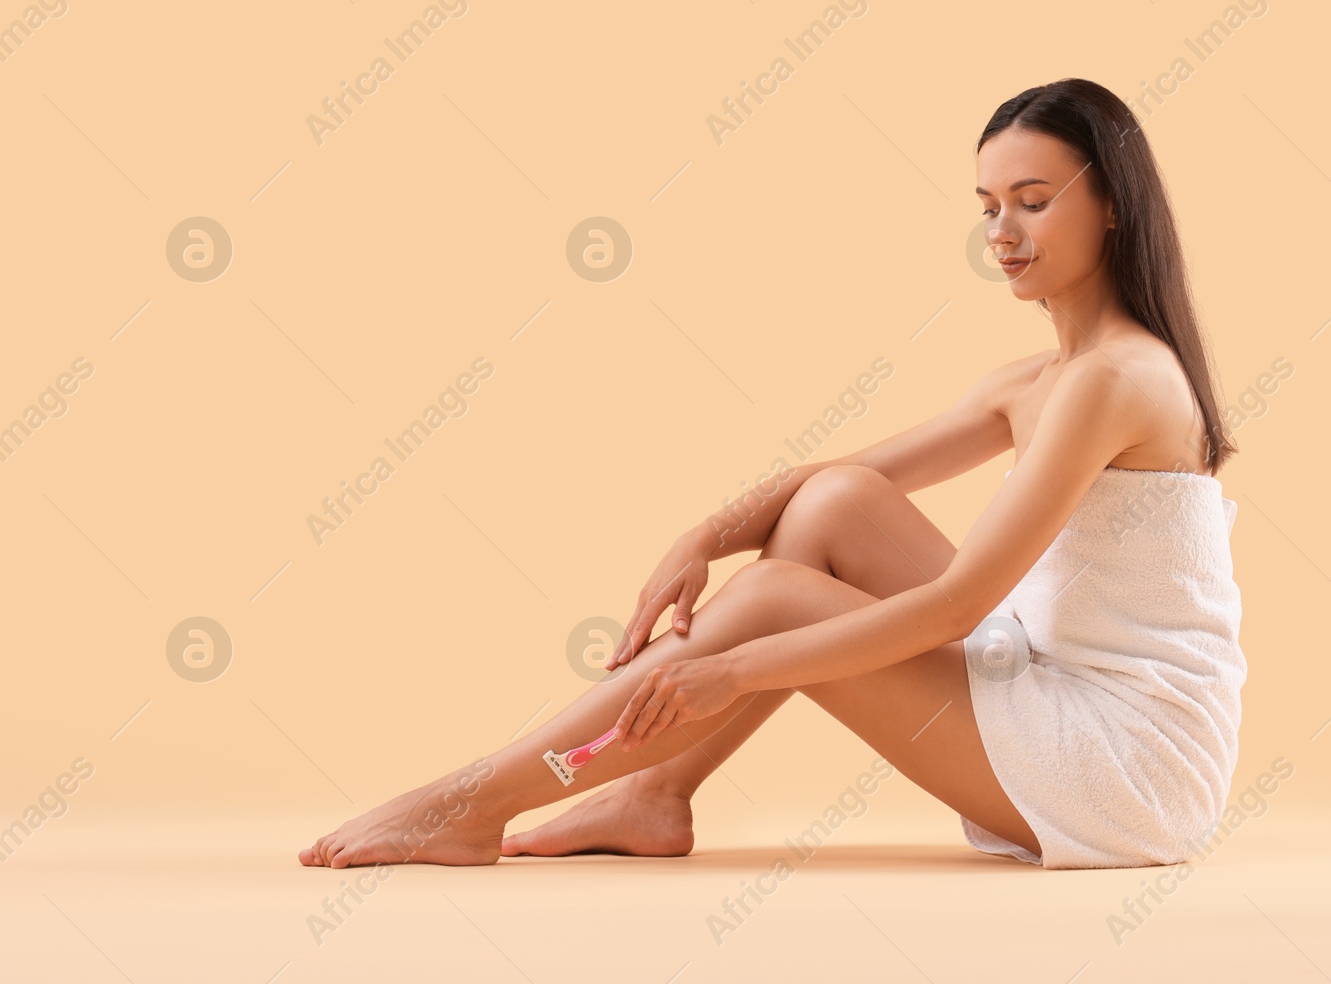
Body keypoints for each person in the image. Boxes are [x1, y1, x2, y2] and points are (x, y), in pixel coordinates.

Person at [300, 77, 1245, 870]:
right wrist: (702, 537)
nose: (1002, 230)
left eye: (1033, 201)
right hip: (1053, 685)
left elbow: (957, 607)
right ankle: (654, 792)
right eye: (987, 206)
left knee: (780, 597)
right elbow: (834, 478)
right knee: (834, 506)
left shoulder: (1115, 381)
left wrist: (733, 667)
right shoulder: (1039, 381)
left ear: (1113, 202)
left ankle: (471, 802)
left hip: (1130, 766)